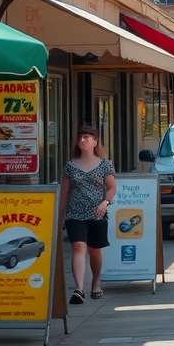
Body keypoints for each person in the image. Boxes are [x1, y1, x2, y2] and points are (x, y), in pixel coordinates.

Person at [61, 125, 116, 305]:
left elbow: (112, 187)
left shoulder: (104, 164)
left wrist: (105, 203)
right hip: (75, 214)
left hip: (97, 213)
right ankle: (79, 289)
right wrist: (60, 216)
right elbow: (65, 193)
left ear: (95, 141)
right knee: (78, 247)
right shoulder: (70, 165)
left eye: (87, 137)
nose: (83, 140)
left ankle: (95, 282)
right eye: (80, 137)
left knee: (95, 251)